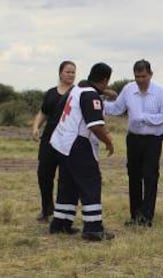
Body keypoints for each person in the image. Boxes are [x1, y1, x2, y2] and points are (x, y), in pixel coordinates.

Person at [49, 62, 115, 241]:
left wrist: (105, 92)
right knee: (91, 183)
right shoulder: (90, 96)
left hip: (62, 143)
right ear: (105, 80)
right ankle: (93, 227)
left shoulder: (78, 88)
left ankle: (60, 223)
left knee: (67, 185)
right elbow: (95, 126)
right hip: (78, 144)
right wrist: (109, 142)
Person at [104, 59, 163, 227]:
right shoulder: (128, 89)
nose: (140, 80)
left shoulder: (161, 91)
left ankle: (147, 217)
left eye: (143, 76)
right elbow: (117, 108)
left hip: (152, 140)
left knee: (150, 176)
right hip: (133, 139)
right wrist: (98, 103)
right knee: (133, 176)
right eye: (137, 76)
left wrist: (144, 118)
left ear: (150, 74)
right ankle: (135, 215)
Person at [32, 60, 76, 222]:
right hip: (49, 139)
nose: (71, 75)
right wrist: (36, 126)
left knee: (65, 177)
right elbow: (43, 112)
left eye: (73, 72)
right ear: (60, 73)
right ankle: (46, 209)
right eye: (67, 72)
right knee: (44, 174)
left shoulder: (77, 93)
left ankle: (62, 212)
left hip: (68, 140)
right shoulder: (50, 93)